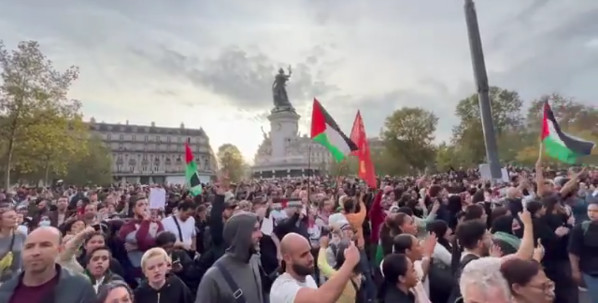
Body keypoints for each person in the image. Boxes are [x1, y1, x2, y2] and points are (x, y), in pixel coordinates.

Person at [0, 226, 96, 302]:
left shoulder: (79, 287)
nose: (35, 252)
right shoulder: (4, 291)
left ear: (60, 250)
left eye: (45, 245)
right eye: (29, 247)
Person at [270, 232, 360, 303]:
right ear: (288, 258)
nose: (311, 258)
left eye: (310, 252)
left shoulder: (308, 278)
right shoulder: (282, 288)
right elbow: (321, 299)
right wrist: (349, 262)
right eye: (303, 255)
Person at [195, 212, 264, 303]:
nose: (260, 235)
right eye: (255, 230)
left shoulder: (254, 261)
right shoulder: (213, 277)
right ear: (240, 235)